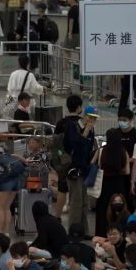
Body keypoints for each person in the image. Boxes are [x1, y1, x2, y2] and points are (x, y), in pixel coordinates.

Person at [57, 96, 96, 234]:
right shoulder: (72, 127)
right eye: (90, 117)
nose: (92, 121)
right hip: (73, 169)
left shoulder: (90, 130)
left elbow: (89, 149)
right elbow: (75, 147)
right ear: (83, 114)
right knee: (76, 202)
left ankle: (84, 231)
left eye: (95, 118)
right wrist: (85, 133)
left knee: (84, 203)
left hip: (84, 169)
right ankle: (74, 231)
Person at [95, 127, 131, 238]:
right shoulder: (123, 151)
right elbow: (127, 171)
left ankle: (102, 233)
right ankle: (119, 233)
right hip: (119, 184)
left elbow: (94, 164)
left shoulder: (101, 150)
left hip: (104, 184)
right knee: (118, 209)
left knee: (103, 209)